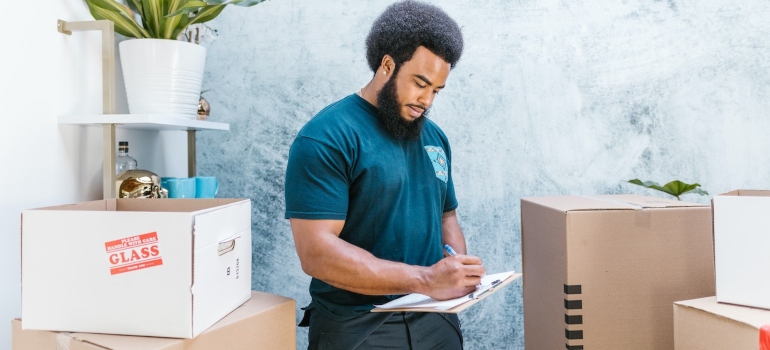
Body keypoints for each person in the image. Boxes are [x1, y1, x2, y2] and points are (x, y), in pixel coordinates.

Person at [284, 1, 485, 349]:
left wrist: (456, 267)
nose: (427, 100)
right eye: (420, 83)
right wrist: (426, 279)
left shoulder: (435, 138)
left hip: (436, 319)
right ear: (387, 65)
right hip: (359, 325)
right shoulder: (327, 136)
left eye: (436, 90)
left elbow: (446, 216)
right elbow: (315, 251)